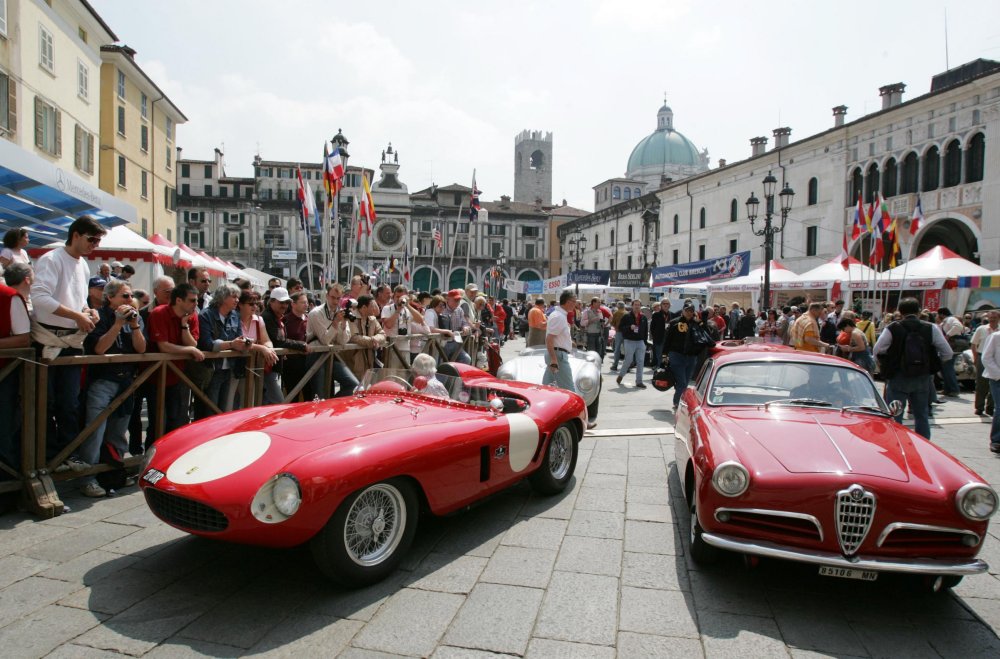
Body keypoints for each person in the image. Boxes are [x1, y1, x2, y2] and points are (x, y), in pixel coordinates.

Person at [30, 215, 105, 468]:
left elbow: (78, 299)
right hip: (48, 339)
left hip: (71, 340)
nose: (94, 245)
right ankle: (47, 456)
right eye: (91, 239)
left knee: (69, 402)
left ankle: (67, 454)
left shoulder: (83, 264)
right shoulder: (52, 259)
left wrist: (87, 311)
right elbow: (40, 298)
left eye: (97, 241)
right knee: (46, 402)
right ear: (76, 235)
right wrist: (76, 314)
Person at [79, 279, 147, 497]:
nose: (129, 300)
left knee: (118, 431)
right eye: (124, 296)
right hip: (103, 381)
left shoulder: (135, 318)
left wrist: (134, 325)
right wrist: (117, 324)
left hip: (126, 381)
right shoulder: (100, 316)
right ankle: (88, 478)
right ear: (110, 298)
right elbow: (99, 349)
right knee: (95, 432)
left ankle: (114, 474)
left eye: (130, 296)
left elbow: (141, 349)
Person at [873, 297, 953, 440]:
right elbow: (947, 353)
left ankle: (896, 442)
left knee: (894, 414)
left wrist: (885, 365)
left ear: (900, 312)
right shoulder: (931, 328)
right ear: (918, 311)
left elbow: (878, 350)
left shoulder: (892, 328)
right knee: (921, 414)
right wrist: (932, 364)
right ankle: (924, 444)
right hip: (922, 377)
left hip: (898, 375)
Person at [148, 283, 205, 434]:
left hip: (180, 376)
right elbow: (164, 346)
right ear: (179, 300)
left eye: (197, 301)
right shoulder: (159, 313)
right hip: (156, 376)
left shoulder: (192, 316)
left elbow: (193, 343)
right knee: (158, 421)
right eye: (192, 300)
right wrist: (190, 350)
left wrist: (184, 325)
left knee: (178, 419)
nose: (196, 304)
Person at [195, 283, 247, 417]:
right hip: (211, 370)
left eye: (238, 297)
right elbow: (207, 343)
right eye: (233, 296)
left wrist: (243, 343)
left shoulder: (235, 315)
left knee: (222, 410)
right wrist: (232, 344)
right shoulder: (206, 315)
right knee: (209, 411)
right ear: (223, 298)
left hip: (229, 368)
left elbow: (238, 336)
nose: (237, 300)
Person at [0, 263, 31, 480]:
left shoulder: (9, 296)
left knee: (4, 429)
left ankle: (6, 486)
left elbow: (22, 338)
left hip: (4, 375)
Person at [306, 284, 358, 398]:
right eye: (333, 297)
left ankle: (332, 405)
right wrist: (335, 323)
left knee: (353, 385)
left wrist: (343, 323)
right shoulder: (316, 313)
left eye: (338, 298)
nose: (335, 301)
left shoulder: (341, 312)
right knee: (319, 395)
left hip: (332, 356)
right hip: (316, 356)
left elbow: (343, 341)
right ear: (326, 296)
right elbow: (325, 340)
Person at [261, 287, 309, 404]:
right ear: (271, 301)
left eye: (286, 302)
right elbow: (279, 341)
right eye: (281, 302)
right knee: (279, 402)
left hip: (273, 366)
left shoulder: (276, 317)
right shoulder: (267, 317)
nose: (284, 305)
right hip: (267, 367)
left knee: (270, 402)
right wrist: (301, 345)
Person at [664, 300, 702, 414]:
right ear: (683, 311)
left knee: (685, 382)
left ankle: (680, 398)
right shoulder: (674, 323)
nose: (689, 313)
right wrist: (664, 355)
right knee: (682, 381)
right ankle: (677, 402)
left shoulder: (696, 324)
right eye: (687, 311)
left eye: (691, 311)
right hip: (677, 355)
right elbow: (667, 340)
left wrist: (701, 323)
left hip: (691, 356)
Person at [345, 294, 387, 380]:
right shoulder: (351, 318)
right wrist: (371, 341)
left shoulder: (372, 319)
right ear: (364, 307)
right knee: (355, 386)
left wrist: (376, 339)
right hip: (354, 360)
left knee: (369, 386)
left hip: (370, 360)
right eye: (372, 306)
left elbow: (382, 334)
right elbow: (353, 337)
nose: (375, 309)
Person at [616, 299, 649, 389]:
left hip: (640, 341)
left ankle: (639, 381)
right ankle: (621, 375)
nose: (637, 306)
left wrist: (645, 342)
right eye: (635, 305)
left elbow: (646, 331)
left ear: (640, 306)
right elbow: (620, 328)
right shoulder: (626, 316)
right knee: (629, 360)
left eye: (638, 305)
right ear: (632, 306)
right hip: (629, 341)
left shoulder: (643, 317)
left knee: (640, 362)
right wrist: (629, 327)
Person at [972, 310, 999, 417]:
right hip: (981, 357)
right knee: (981, 384)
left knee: (994, 383)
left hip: (996, 360)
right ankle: (979, 407)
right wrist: (975, 358)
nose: (992, 319)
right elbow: (974, 344)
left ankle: (990, 407)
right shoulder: (981, 329)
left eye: (994, 318)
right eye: (990, 317)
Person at [437, 290, 472, 364]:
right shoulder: (441, 308)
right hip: (442, 343)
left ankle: (455, 375)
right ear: (448, 299)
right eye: (455, 300)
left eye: (459, 300)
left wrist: (465, 327)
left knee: (466, 359)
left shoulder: (459, 310)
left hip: (456, 343)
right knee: (441, 364)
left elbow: (464, 322)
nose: (457, 302)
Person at [937, 307, 965, 397]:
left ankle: (954, 389)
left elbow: (958, 326)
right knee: (945, 368)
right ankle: (947, 389)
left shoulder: (951, 319)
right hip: (950, 345)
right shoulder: (946, 321)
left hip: (953, 345)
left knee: (948, 367)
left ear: (941, 314)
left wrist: (948, 335)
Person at [980, 328, 1000, 453]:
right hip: (997, 378)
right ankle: (996, 440)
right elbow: (986, 358)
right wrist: (998, 375)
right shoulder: (996, 336)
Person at [649, 299, 671, 366]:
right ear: (661, 305)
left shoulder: (672, 314)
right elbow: (652, 328)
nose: (665, 305)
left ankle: (666, 372)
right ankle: (659, 371)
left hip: (669, 339)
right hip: (659, 339)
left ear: (669, 305)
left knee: (668, 357)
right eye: (664, 303)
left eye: (667, 303)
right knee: (660, 357)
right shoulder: (656, 315)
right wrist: (655, 338)